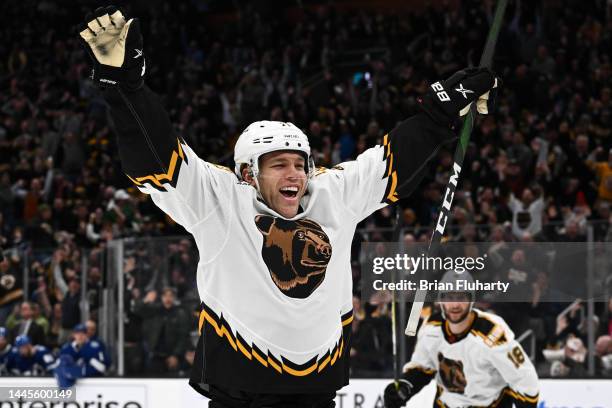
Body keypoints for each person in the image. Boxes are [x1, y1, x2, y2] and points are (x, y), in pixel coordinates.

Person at [77, 7, 498, 407]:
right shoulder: (220, 201)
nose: (294, 174)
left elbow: (390, 163)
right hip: (237, 394)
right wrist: (125, 87)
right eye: (278, 164)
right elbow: (158, 161)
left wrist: (442, 109)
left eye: (300, 163)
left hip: (317, 392)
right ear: (248, 174)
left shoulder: (331, 194)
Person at [384, 271, 539, 408]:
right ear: (441, 300)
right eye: (450, 297)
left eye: (461, 297)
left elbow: (524, 379)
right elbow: (422, 369)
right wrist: (405, 387)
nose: (455, 304)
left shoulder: (493, 333)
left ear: (471, 299)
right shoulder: (431, 328)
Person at [133, 287, 189, 375]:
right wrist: (146, 300)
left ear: (174, 298)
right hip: (154, 355)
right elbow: (137, 310)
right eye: (165, 296)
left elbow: (183, 336)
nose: (168, 298)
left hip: (171, 356)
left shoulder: (180, 313)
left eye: (171, 296)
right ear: (161, 297)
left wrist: (175, 355)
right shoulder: (155, 310)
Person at [55, 323, 110, 388]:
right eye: (78, 333)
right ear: (74, 335)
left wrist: (88, 362)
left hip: (92, 383)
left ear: (87, 335)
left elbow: (103, 368)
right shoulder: (66, 348)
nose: (80, 336)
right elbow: (58, 366)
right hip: (71, 384)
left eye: (83, 333)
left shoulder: (95, 347)